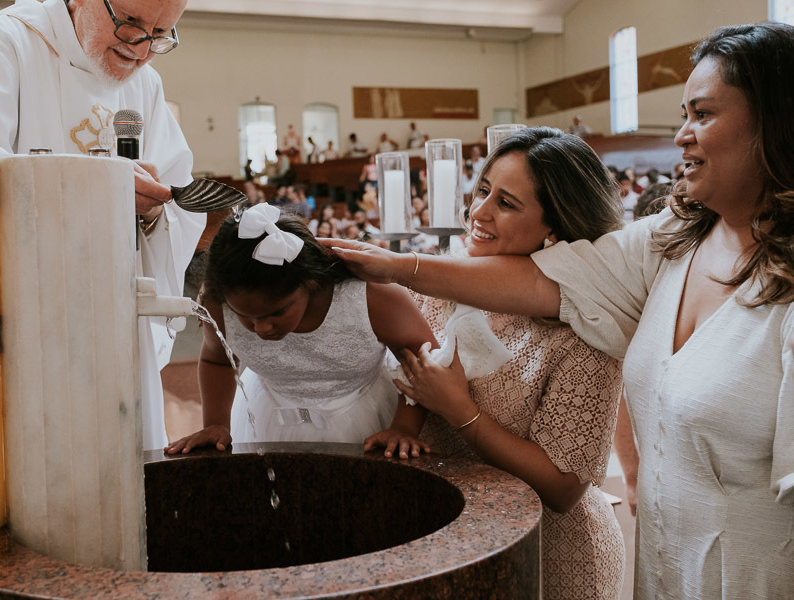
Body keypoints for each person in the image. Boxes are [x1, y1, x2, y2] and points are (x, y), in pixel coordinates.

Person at [323, 23, 794, 599]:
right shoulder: (674, 241)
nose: (682, 136)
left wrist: (463, 409)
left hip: (757, 574)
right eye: (683, 114)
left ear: (774, 122)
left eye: (702, 114)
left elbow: (567, 484)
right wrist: (395, 267)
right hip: (667, 564)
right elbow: (542, 278)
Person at [367, 127, 626, 600]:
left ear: (555, 226)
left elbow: (564, 488)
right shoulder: (438, 285)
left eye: (506, 203)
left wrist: (459, 410)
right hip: (457, 538)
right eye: (482, 190)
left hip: (552, 555)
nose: (478, 212)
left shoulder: (584, 324)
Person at [0, 0, 205, 451]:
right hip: (24, 319)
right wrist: (97, 190)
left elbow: (180, 195)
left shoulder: (146, 84)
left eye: (162, 34)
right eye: (130, 23)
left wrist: (155, 212)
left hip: (117, 320)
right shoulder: (6, 43)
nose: (141, 50)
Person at [165, 204, 437, 452]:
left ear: (309, 282)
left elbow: (424, 358)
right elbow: (218, 360)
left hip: (370, 414)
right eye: (244, 316)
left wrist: (403, 427)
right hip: (269, 415)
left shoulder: (369, 295)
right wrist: (217, 423)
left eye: (277, 312)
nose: (262, 328)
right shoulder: (217, 301)